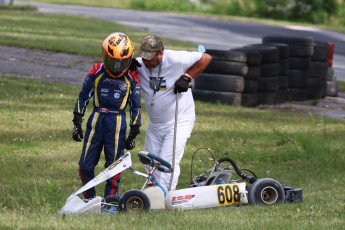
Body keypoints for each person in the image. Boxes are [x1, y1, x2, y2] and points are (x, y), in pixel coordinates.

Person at [135, 34, 212, 191]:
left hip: (179, 120)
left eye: (150, 57)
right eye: (144, 57)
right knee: (150, 161)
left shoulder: (176, 58)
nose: (146, 61)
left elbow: (205, 57)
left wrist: (187, 77)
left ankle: (165, 195)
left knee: (168, 160)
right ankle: (152, 193)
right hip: (155, 123)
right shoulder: (139, 64)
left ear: (161, 53)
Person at [72, 32, 142, 199]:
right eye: (112, 61)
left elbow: (136, 105)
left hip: (117, 122)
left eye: (121, 62)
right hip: (96, 120)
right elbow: (84, 95)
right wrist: (77, 121)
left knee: (114, 167)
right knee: (84, 166)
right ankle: (90, 199)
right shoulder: (97, 70)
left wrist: (134, 131)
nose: (116, 66)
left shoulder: (132, 76)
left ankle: (110, 202)